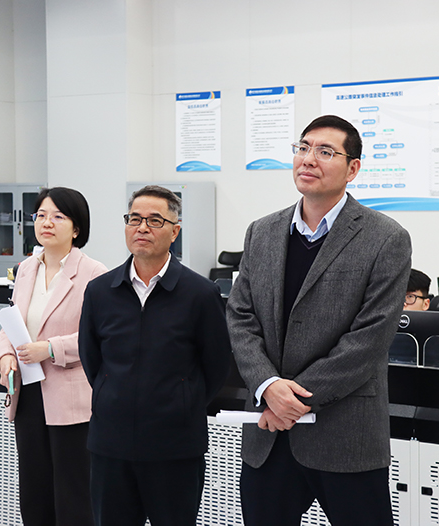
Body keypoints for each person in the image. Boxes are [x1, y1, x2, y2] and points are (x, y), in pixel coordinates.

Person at [226, 115, 412, 526]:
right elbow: (240, 317)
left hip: (344, 435)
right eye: (303, 148)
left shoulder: (385, 237)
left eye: (325, 152)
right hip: (269, 437)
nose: (308, 159)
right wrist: (268, 386)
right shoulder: (261, 232)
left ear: (353, 168)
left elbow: (370, 338)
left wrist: (291, 401)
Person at [78, 185, 231, 526]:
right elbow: (91, 358)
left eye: (155, 220)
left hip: (175, 447)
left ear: (175, 231)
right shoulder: (100, 291)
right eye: (134, 219)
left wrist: (181, 401)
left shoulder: (200, 293)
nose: (142, 228)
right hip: (110, 445)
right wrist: (111, 394)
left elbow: (217, 365)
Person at [0, 187, 107, 526]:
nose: (46, 222)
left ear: (76, 228)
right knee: (34, 489)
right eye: (41, 215)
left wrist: (51, 348)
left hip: (70, 399)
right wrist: (6, 356)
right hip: (28, 392)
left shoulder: (93, 273)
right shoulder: (26, 269)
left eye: (58, 216)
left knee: (73, 493)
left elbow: (100, 336)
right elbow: (13, 322)